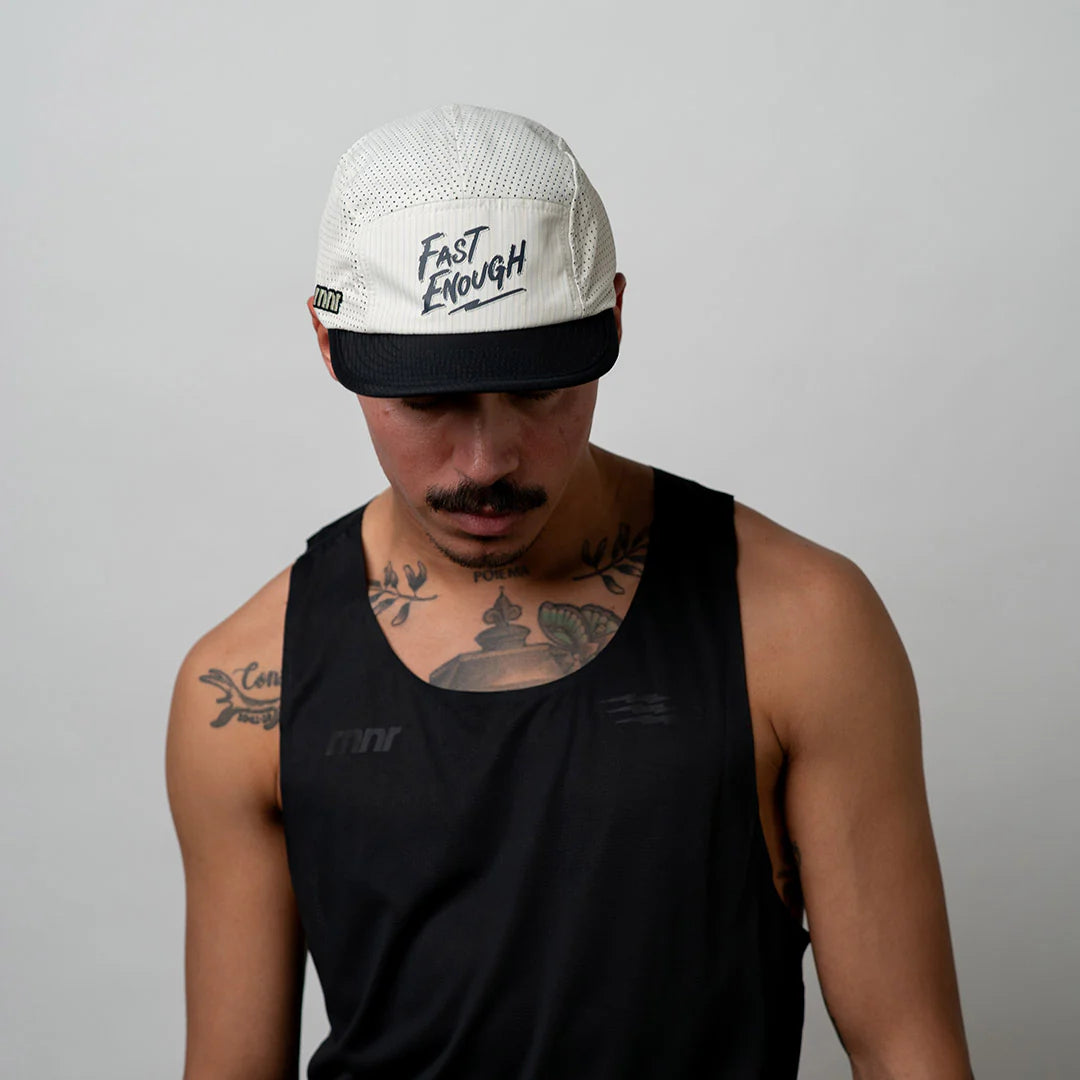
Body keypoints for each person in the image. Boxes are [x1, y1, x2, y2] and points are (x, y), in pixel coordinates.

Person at [166, 104, 974, 1079]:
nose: (488, 461)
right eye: (428, 400)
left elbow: (905, 1051)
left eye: (540, 389)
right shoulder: (241, 688)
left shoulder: (803, 622)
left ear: (615, 318)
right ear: (329, 343)